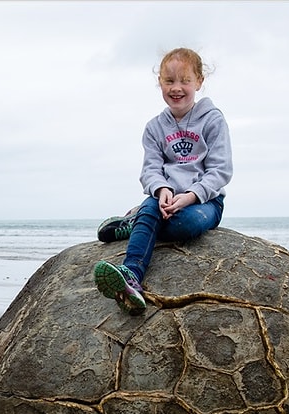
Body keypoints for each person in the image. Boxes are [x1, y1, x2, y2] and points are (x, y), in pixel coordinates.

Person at [94, 47, 232, 314]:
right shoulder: (155, 127)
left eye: (185, 81)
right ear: (160, 83)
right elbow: (150, 170)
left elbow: (221, 170)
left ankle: (137, 225)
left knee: (187, 225)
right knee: (150, 208)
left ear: (199, 82)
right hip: (164, 198)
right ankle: (130, 276)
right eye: (169, 81)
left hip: (205, 201)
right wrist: (162, 188)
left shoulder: (213, 120)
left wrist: (190, 196)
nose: (176, 88)